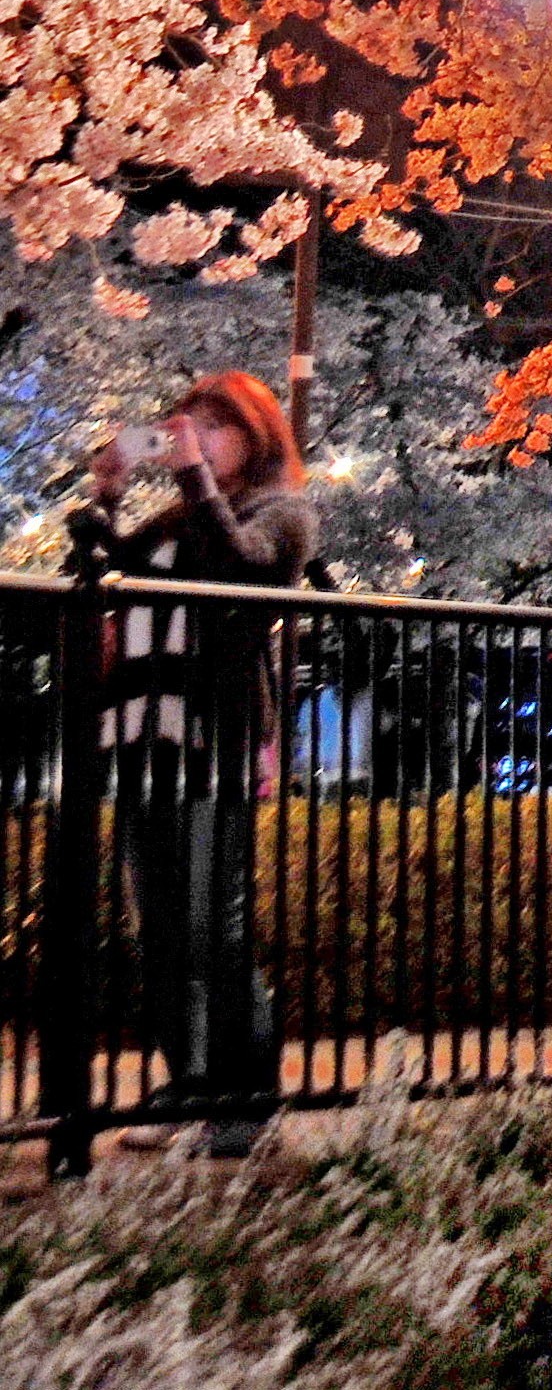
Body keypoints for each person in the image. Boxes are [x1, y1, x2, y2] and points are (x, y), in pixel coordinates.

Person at [78, 370, 320, 1155]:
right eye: (188, 426)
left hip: (215, 736)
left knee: (214, 923)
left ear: (255, 436)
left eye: (215, 427)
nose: (198, 440)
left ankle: (244, 1102)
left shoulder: (281, 512)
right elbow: (103, 572)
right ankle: (188, 1085)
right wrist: (108, 491)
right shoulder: (176, 517)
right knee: (160, 929)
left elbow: (242, 571)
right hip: (143, 732)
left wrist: (193, 478)